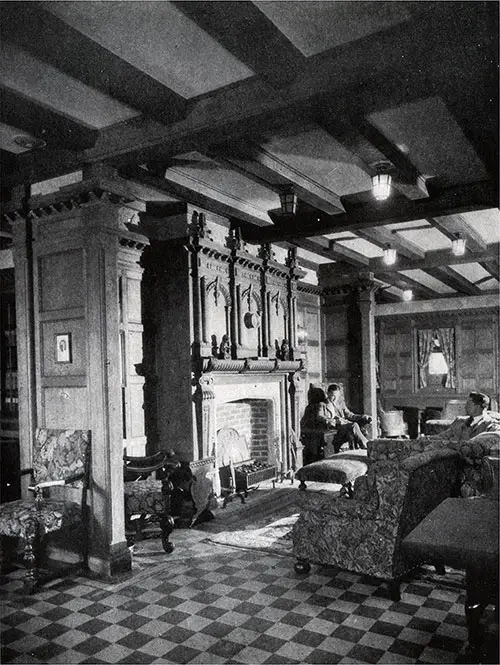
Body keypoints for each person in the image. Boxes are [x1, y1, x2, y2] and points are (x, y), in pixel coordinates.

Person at [425, 391, 500, 444]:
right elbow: (443, 436)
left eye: (469, 404)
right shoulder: (460, 420)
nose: (465, 407)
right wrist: (427, 438)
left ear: (479, 407)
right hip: (448, 453)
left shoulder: (490, 424)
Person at [325, 383, 372, 452]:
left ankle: (358, 449)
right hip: (335, 430)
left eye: (337, 396)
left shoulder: (340, 404)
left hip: (344, 427)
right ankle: (367, 445)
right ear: (328, 393)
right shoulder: (324, 405)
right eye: (333, 396)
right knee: (354, 425)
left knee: (359, 428)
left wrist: (363, 417)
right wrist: (334, 421)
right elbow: (323, 418)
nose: (335, 398)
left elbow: (350, 415)